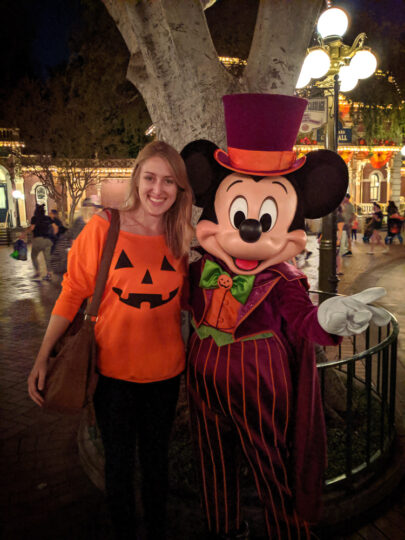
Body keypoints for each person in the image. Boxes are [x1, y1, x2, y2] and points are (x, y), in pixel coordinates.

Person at [28, 140, 194, 540]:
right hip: (113, 375)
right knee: (118, 467)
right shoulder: (106, 227)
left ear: (179, 189)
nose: (158, 189)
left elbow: (190, 300)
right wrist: (42, 355)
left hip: (166, 374)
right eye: (151, 177)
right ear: (137, 179)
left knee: (156, 465)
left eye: (169, 181)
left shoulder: (182, 236)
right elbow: (71, 293)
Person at [30, 204, 55, 281]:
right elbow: (55, 227)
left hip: (38, 240)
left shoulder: (34, 218)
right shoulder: (47, 218)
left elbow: (32, 228)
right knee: (47, 258)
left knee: (33, 256)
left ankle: (37, 272)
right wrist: (53, 235)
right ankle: (49, 274)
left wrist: (25, 232)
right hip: (47, 240)